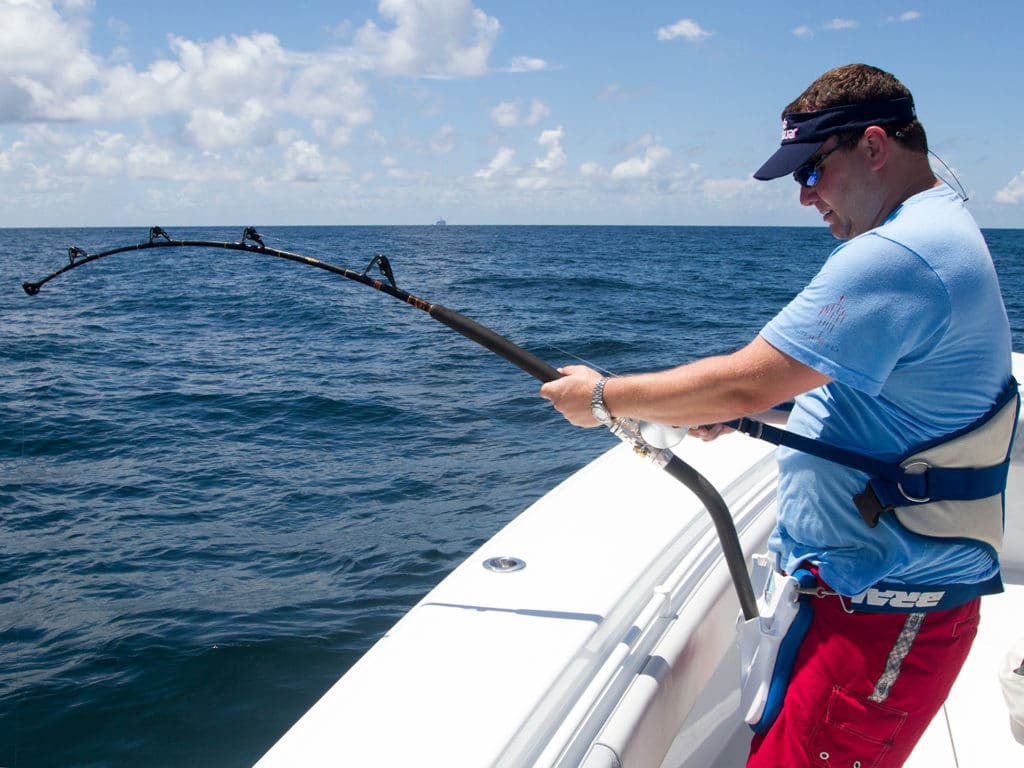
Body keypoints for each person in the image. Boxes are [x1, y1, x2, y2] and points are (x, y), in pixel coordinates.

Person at [539, 63, 1014, 767]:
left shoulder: (902, 252)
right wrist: (770, 403)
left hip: (890, 618)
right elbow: (870, 388)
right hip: (863, 600)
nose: (803, 196)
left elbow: (742, 384)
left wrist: (602, 397)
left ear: (875, 147)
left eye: (813, 170)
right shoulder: (934, 228)